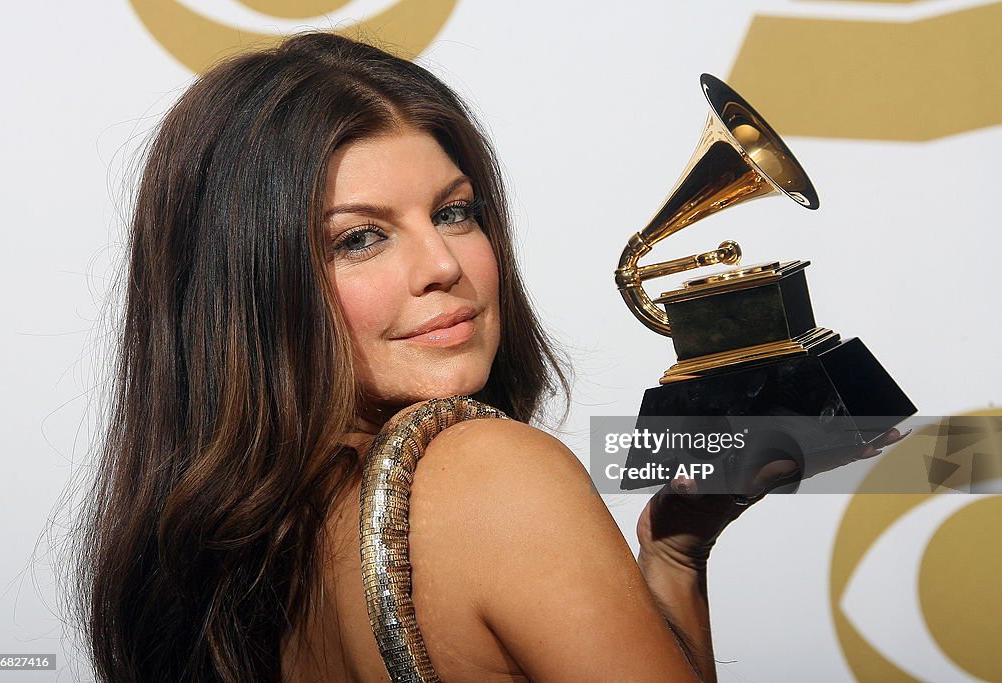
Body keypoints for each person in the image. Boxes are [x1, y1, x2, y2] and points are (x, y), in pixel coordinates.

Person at [67, 30, 905, 682]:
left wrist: (674, 556)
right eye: (360, 238)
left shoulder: (229, 558)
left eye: (456, 212)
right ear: (247, 288)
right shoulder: (493, 472)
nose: (443, 266)